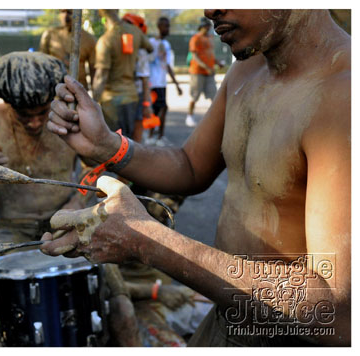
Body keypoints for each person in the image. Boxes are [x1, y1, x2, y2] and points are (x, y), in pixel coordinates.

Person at [42, 9, 351, 346]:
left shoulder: (345, 96)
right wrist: (107, 145)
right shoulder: (248, 68)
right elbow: (190, 166)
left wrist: (147, 241)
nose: (209, 10)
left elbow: (335, 309)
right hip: (226, 320)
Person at [0, 52, 139, 347]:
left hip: (71, 223)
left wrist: (77, 202)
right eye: (25, 115)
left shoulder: (71, 118)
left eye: (41, 112)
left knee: (122, 309)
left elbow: (102, 172)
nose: (36, 123)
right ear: (8, 104)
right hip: (12, 229)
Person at [93, 9, 153, 138]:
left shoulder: (105, 41)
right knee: (128, 141)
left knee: (114, 143)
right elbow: (150, 48)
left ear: (102, 17)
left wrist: (93, 102)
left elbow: (101, 76)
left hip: (111, 100)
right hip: (131, 96)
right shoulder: (135, 32)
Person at [147, 17, 183, 146]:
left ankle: (156, 136)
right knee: (160, 108)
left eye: (168, 26)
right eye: (165, 26)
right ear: (159, 26)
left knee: (159, 109)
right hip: (153, 82)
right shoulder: (150, 42)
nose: (168, 29)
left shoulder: (167, 45)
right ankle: (155, 136)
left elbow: (167, 66)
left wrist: (176, 84)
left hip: (161, 82)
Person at [39, 9, 97, 91]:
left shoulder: (89, 39)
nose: (65, 16)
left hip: (78, 91)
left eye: (69, 12)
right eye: (62, 12)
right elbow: (41, 64)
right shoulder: (49, 35)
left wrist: (94, 97)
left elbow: (93, 70)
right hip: (54, 90)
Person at [121, 13, 153, 143]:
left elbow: (144, 80)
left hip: (137, 95)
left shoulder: (141, 51)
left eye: (129, 25)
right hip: (121, 93)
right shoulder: (119, 45)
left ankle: (136, 159)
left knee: (136, 132)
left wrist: (146, 104)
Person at [185, 17, 220, 127]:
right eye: (206, 26)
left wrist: (217, 62)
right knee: (194, 96)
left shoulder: (210, 38)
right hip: (197, 72)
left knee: (214, 96)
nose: (208, 28)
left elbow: (210, 55)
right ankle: (189, 116)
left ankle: (214, 120)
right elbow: (194, 56)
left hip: (209, 72)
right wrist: (206, 67)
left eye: (209, 26)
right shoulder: (196, 38)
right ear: (202, 26)